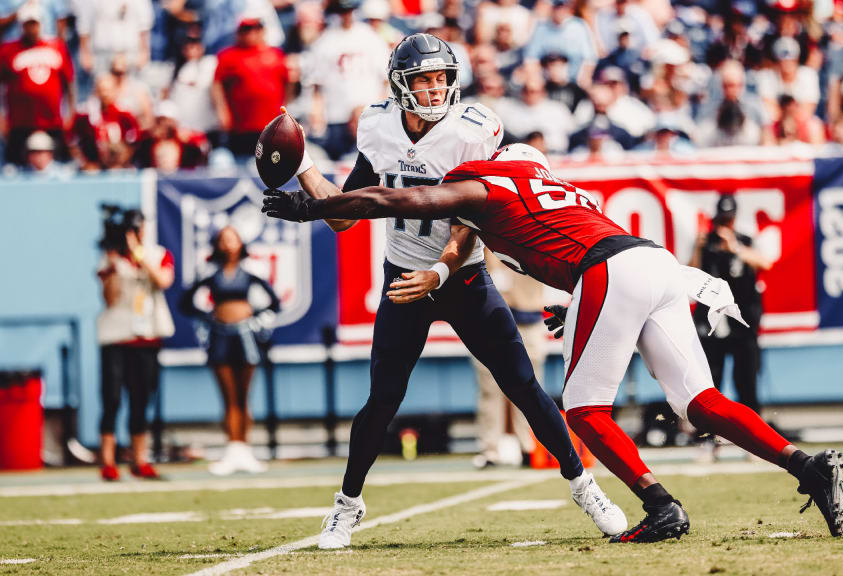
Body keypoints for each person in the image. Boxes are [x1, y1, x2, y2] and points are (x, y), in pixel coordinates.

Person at [263, 143, 843, 542]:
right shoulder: (561, 189)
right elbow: (581, 252)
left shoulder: (486, 186)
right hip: (653, 263)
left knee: (582, 409)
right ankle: (808, 468)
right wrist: (577, 308)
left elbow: (397, 201)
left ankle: (660, 506)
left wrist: (311, 207)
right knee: (698, 402)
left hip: (613, 272)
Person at [275, 33, 624, 549]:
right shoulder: (377, 126)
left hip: (459, 278)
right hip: (402, 277)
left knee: (523, 385)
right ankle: (346, 506)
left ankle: (585, 486)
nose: (436, 89)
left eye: (442, 78)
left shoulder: (471, 131)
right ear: (400, 86)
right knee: (382, 399)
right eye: (424, 79)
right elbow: (346, 217)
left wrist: (438, 273)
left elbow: (470, 221)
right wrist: (303, 168)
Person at [180, 226, 280, 476]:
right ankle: (232, 449)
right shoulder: (210, 271)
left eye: (233, 238)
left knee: (244, 395)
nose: (228, 244)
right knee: (228, 396)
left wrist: (253, 316)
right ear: (217, 244)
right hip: (219, 335)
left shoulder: (251, 270)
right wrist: (208, 317)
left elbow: (274, 302)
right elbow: (185, 302)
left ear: (240, 242)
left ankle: (245, 450)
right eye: (223, 239)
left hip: (246, 335)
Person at [96, 210, 175, 481]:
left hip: (147, 336)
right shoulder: (112, 258)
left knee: (142, 397)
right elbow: (109, 298)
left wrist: (139, 255)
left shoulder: (157, 253)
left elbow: (163, 281)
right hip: (116, 335)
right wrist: (114, 262)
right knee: (112, 397)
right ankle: (108, 460)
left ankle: (139, 457)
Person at [691, 195, 772, 419]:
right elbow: (690, 274)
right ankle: (708, 439)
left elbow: (765, 263)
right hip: (712, 322)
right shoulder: (706, 243)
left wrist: (734, 248)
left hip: (741, 320)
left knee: (746, 380)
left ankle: (754, 436)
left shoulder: (743, 241)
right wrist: (699, 248)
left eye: (728, 220)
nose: (724, 226)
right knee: (710, 381)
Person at [471, 249, 541, 468]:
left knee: (529, 386)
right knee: (489, 387)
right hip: (488, 317)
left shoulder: (531, 233)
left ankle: (529, 446)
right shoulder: (480, 230)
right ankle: (489, 448)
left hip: (527, 315)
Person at [307, 0, 389, 160]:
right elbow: (317, 84)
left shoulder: (370, 37)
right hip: (336, 114)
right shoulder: (325, 41)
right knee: (339, 163)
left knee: (372, 163)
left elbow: (386, 79)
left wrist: (381, 107)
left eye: (349, 10)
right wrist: (317, 113)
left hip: (368, 113)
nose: (346, 15)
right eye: (342, 11)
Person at [0, 3, 74, 166]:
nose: (31, 28)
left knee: (61, 165)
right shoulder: (8, 50)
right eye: (28, 24)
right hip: (19, 122)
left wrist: (71, 113)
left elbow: (69, 82)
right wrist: (1, 118)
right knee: (14, 167)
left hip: (52, 121)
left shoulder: (56, 47)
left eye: (34, 23)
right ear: (22, 25)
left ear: (40, 24)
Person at [212, 15, 290, 159]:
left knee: (270, 162)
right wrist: (221, 110)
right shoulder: (229, 56)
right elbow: (216, 85)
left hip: (271, 125)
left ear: (262, 31)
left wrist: (286, 107)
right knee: (242, 160)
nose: (251, 34)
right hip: (241, 126)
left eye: (255, 29)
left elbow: (288, 82)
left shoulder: (276, 54)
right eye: (246, 30)